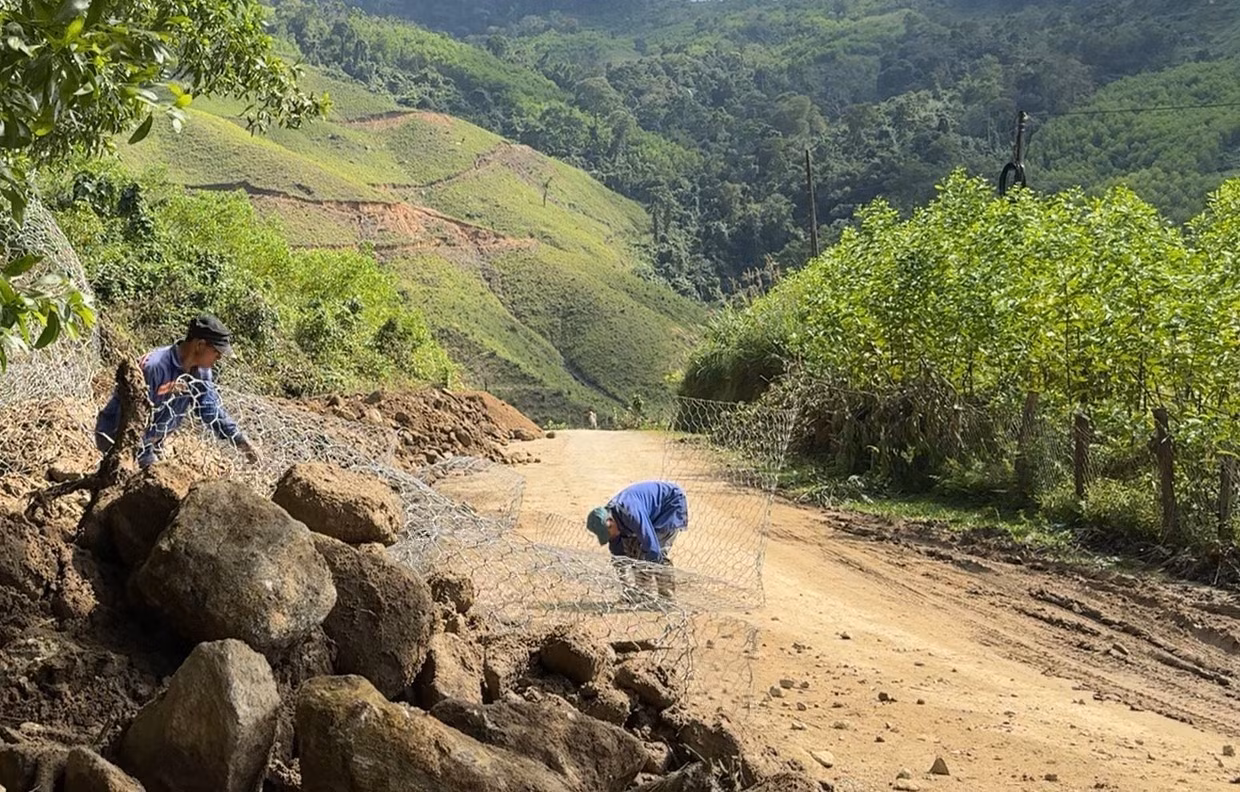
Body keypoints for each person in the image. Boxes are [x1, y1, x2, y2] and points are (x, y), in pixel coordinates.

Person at [94, 315, 259, 468]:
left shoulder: (201, 372)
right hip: (117, 436)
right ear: (200, 345)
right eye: (216, 352)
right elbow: (131, 422)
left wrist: (239, 440)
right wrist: (149, 463)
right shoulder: (155, 367)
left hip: (151, 440)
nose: (219, 358)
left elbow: (210, 410)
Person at [585, 480, 687, 602]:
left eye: (607, 534)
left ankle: (667, 598)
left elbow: (651, 545)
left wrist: (649, 564)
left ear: (610, 523)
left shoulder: (630, 513)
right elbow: (618, 554)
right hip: (647, 511)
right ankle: (642, 594)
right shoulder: (609, 517)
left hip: (669, 504)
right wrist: (627, 587)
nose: (609, 538)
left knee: (656, 552)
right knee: (634, 553)